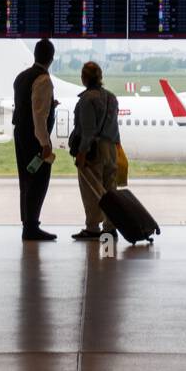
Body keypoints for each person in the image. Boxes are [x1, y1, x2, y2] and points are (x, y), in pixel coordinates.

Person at [68, 61, 121, 241]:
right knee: (110, 190)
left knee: (92, 191)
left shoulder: (87, 100)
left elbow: (88, 131)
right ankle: (110, 228)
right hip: (111, 148)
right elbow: (114, 127)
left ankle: (92, 228)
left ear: (84, 78)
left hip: (93, 152)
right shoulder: (112, 98)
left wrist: (82, 153)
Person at [12, 39, 58, 241]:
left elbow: (26, 105)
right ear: (51, 58)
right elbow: (38, 116)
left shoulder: (21, 77)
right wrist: (45, 144)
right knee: (39, 180)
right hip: (34, 138)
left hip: (20, 134)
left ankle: (27, 224)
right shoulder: (43, 80)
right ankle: (32, 226)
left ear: (36, 55)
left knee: (26, 179)